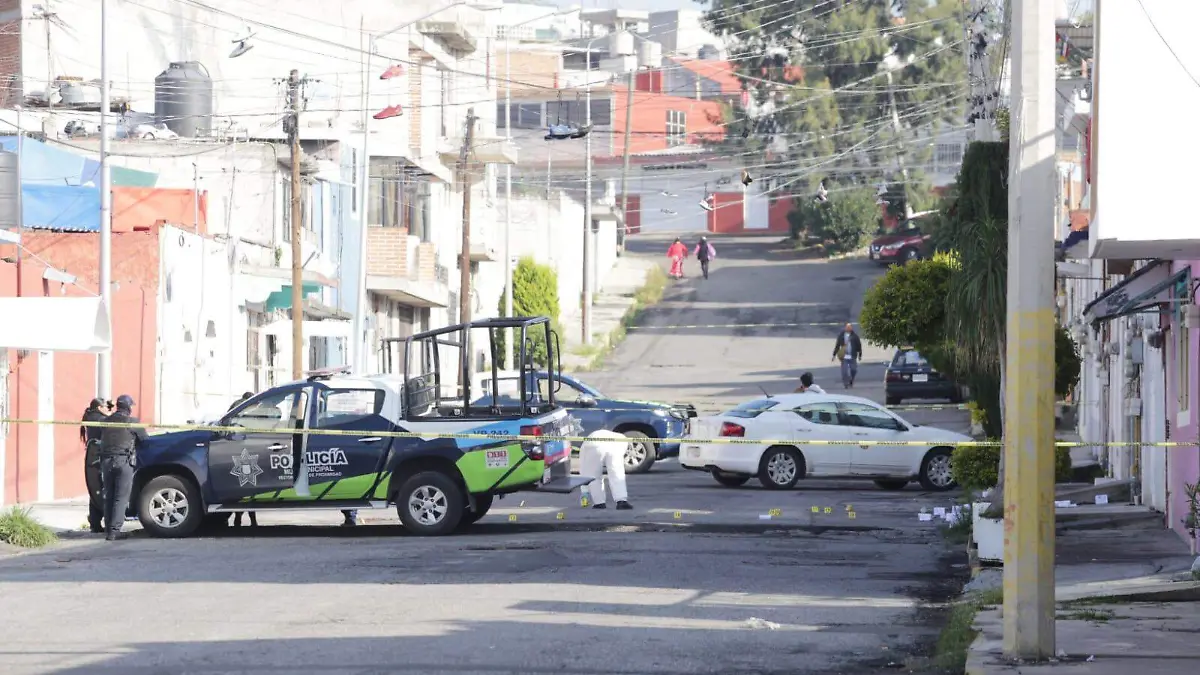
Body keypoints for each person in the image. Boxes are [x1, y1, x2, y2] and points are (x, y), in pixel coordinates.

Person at [98, 395, 148, 541]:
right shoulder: (132, 422)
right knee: (121, 497)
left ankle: (108, 528)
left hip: (106, 461)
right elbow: (145, 439)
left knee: (109, 496)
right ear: (128, 407)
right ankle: (114, 531)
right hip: (123, 461)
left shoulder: (105, 421)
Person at [579, 429, 632, 510]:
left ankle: (599, 503)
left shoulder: (586, 445)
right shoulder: (623, 440)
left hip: (593, 443)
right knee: (617, 474)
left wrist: (584, 491)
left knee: (593, 476)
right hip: (615, 445)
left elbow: (584, 471)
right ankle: (621, 501)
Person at [81, 398, 112, 533]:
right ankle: (104, 521)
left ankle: (95, 522)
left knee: (96, 489)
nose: (108, 409)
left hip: (93, 453)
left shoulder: (92, 416)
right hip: (97, 454)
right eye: (106, 407)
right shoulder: (99, 419)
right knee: (101, 488)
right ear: (99, 407)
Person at [831, 323, 863, 388]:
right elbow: (837, 345)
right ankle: (846, 383)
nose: (848, 329)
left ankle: (851, 379)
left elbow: (859, 345)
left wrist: (860, 354)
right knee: (844, 371)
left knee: (854, 370)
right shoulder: (841, 336)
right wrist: (834, 355)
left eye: (849, 327)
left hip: (852, 355)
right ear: (845, 328)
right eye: (847, 327)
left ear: (851, 328)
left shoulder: (855, 336)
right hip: (844, 356)